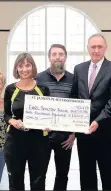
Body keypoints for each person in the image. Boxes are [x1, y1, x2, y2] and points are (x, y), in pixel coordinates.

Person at [70, 33, 111, 190]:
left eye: (100, 46)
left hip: (106, 132)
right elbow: (74, 96)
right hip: (84, 132)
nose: (96, 50)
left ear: (105, 48)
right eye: (93, 46)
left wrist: (97, 121)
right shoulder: (79, 69)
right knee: (86, 175)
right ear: (88, 48)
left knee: (108, 175)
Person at [3, 52, 50, 190]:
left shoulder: (43, 89)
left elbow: (49, 113)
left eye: (28, 65)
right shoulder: (10, 89)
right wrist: (13, 121)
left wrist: (49, 124)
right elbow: (6, 115)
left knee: (38, 180)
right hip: (15, 142)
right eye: (21, 66)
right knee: (16, 181)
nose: (24, 69)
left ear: (33, 67)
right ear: (16, 69)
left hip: (39, 142)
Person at [36, 44, 75, 190]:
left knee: (62, 174)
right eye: (54, 54)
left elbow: (77, 108)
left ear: (65, 57)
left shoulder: (74, 79)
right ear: (49, 58)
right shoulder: (38, 78)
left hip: (65, 138)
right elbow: (35, 107)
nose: (57, 57)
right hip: (42, 136)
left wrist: (73, 134)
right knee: (40, 173)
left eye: (61, 54)